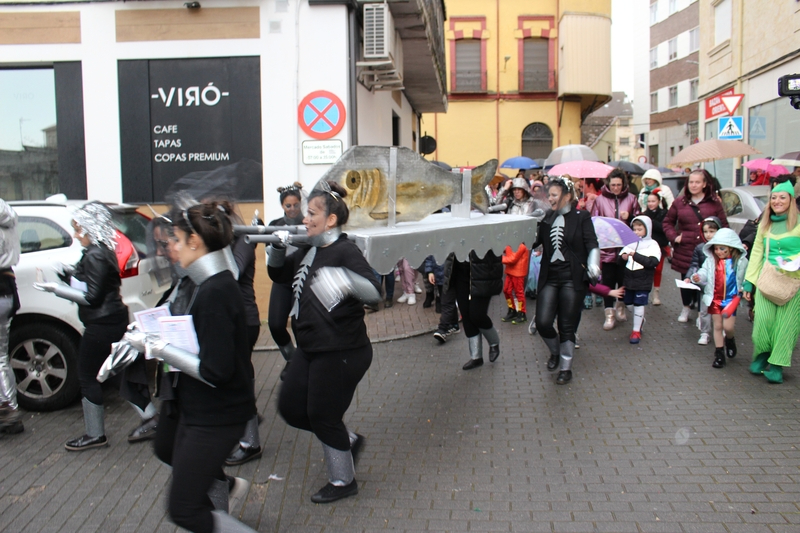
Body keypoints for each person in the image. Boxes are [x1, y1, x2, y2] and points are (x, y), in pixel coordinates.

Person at [145, 199, 256, 532]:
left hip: (217, 416)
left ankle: (219, 510)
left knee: (183, 509)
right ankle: (223, 495)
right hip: (194, 407)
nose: (172, 248)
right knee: (166, 450)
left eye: (176, 239)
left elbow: (216, 371)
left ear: (195, 241)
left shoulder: (215, 292)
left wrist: (161, 348)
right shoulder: (198, 283)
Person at [267, 180, 380, 503]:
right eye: (305, 213)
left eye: (312, 214)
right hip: (311, 348)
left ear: (331, 219)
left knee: (322, 415)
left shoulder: (345, 250)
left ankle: (344, 481)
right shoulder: (308, 248)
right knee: (290, 408)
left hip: (343, 350)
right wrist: (276, 248)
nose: (305, 219)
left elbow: (376, 294)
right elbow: (280, 277)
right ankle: (347, 439)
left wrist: (345, 280)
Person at [34, 202, 130, 451]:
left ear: (91, 228)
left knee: (87, 375)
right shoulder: (99, 252)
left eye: (79, 230)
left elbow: (92, 296)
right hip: (109, 319)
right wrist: (68, 275)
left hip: (102, 322)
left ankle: (95, 435)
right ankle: (151, 417)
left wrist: (57, 289)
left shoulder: (96, 254)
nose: (77, 236)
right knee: (118, 374)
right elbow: (89, 285)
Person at [534, 175, 601, 385]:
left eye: (554, 195)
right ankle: (555, 351)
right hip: (550, 277)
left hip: (573, 278)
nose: (550, 199)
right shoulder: (546, 218)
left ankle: (566, 367)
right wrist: (530, 222)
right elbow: (533, 242)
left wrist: (593, 264)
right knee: (543, 322)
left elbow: (592, 244)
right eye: (549, 195)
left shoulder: (582, 217)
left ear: (567, 195)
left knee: (566, 325)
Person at [742, 180, 800, 384]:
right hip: (767, 280)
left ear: (791, 200)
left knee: (786, 328)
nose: (777, 201)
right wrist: (749, 282)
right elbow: (756, 253)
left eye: (782, 197)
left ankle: (776, 366)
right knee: (761, 326)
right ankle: (763, 354)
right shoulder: (765, 224)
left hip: (794, 283)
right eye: (774, 197)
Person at [224, 201, 264, 466]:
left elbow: (233, 272)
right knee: (235, 378)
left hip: (244, 321)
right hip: (231, 320)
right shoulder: (229, 243)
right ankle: (245, 424)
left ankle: (250, 442)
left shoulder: (243, 240)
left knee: (240, 379)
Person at [662, 169, 728, 323]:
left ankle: (702, 312)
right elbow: (667, 222)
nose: (693, 185)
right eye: (691, 182)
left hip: (709, 250)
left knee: (707, 281)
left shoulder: (714, 202)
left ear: (705, 184)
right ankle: (686, 307)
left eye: (697, 182)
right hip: (685, 249)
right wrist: (674, 237)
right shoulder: (680, 202)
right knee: (686, 280)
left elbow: (724, 225)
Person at [591, 169, 640, 330]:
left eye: (619, 185)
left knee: (625, 280)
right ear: (608, 184)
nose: (616, 188)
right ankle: (609, 313)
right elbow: (594, 222)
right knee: (608, 282)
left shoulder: (632, 199)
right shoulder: (600, 200)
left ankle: (620, 306)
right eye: (613, 185)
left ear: (624, 184)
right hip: (606, 249)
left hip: (626, 249)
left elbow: (640, 222)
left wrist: (631, 217)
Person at [693, 229, 748, 369]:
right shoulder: (711, 261)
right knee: (717, 326)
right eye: (716, 248)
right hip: (715, 298)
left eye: (722, 248)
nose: (718, 251)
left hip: (731, 300)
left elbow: (747, 276)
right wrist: (698, 277)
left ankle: (730, 339)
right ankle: (719, 354)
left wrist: (745, 287)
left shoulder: (740, 262)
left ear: (731, 248)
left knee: (728, 327)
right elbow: (704, 271)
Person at [441, 248, 502, 370]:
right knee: (466, 315)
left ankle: (494, 342)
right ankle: (476, 357)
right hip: (460, 270)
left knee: (477, 314)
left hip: (482, 272)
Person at [267, 183, 305, 374]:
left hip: (302, 279)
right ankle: (291, 358)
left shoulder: (307, 223)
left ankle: (303, 364)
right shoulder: (275, 225)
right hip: (282, 280)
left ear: (301, 203)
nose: (292, 209)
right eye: (288, 206)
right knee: (275, 325)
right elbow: (269, 249)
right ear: (282, 205)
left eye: (296, 205)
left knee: (300, 326)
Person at [617, 216, 661, 344]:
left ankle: (636, 331)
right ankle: (639, 319)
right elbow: (619, 260)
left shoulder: (653, 244)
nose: (636, 232)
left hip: (643, 279)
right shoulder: (629, 243)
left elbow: (652, 262)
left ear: (647, 229)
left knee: (639, 304)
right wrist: (623, 257)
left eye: (640, 229)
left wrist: (635, 255)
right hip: (629, 279)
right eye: (634, 229)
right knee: (628, 303)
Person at [0, 199, 22, 434]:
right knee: (1, 356)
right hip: (7, 287)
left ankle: (7, 410)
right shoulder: (9, 218)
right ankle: (9, 407)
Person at [685, 218, 721, 345]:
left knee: (720, 309)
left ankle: (720, 329)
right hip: (705, 285)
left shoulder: (723, 248)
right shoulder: (700, 248)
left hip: (721, 286)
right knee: (704, 310)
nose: (708, 234)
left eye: (712, 231)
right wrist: (691, 276)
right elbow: (695, 264)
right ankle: (705, 332)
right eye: (705, 231)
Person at [641, 191, 670, 305]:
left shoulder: (664, 213)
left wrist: (649, 221)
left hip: (659, 246)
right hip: (646, 246)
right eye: (649, 201)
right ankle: (644, 292)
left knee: (658, 270)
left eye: (653, 201)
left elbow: (663, 228)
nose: (651, 204)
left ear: (658, 201)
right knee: (646, 270)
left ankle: (656, 293)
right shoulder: (643, 213)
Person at [432, 254, 461, 343]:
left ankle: (442, 329)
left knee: (446, 303)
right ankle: (454, 324)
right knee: (448, 302)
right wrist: (429, 271)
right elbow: (430, 255)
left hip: (449, 277)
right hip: (440, 277)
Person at [501, 242, 530, 324]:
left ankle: (522, 313)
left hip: (518, 273)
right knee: (506, 290)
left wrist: (499, 258)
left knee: (519, 293)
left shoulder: (521, 246)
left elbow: (513, 259)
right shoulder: (511, 243)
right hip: (511, 271)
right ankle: (512, 310)